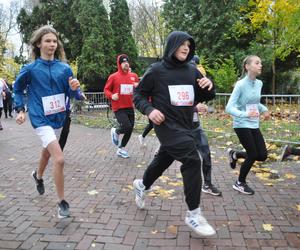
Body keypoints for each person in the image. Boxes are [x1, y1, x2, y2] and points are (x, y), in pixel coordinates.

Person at [133, 31, 216, 237]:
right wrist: (150, 111)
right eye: (182, 44)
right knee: (192, 159)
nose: (186, 48)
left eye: (189, 45)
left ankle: (141, 185)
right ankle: (193, 214)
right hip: (166, 126)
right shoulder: (156, 71)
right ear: (172, 45)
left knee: (163, 160)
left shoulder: (192, 70)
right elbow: (138, 94)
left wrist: (209, 86)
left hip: (186, 126)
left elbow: (204, 95)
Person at [14, 25, 81, 218]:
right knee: (59, 158)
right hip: (40, 118)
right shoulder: (31, 69)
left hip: (59, 118)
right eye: (47, 41)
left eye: (54, 41)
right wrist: (20, 109)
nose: (52, 44)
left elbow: (72, 92)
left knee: (46, 154)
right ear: (38, 44)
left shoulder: (64, 68)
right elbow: (17, 89)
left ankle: (38, 176)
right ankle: (62, 203)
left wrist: (75, 88)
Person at [225, 55, 270, 195]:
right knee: (252, 154)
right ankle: (240, 182)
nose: (260, 65)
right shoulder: (240, 85)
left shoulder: (259, 84)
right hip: (241, 123)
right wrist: (245, 115)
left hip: (254, 123)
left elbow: (254, 103)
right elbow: (229, 107)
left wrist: (264, 110)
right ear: (247, 66)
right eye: (257, 63)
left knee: (262, 155)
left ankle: (235, 154)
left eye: (260, 63)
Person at [191, 56, 221, 196]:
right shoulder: (172, 75)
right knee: (163, 159)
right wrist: (194, 105)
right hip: (178, 127)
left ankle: (207, 184)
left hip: (195, 124)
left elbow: (208, 95)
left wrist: (210, 84)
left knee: (206, 153)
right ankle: (145, 183)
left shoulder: (198, 74)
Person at [104, 54, 139, 158]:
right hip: (118, 107)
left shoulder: (134, 76)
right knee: (126, 126)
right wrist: (111, 95)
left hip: (130, 106)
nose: (126, 64)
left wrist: (138, 88)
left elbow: (137, 90)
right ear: (119, 64)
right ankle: (115, 131)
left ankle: (121, 149)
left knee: (130, 128)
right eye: (123, 62)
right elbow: (106, 89)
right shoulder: (113, 77)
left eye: (127, 62)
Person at [193, 103, 222, 196]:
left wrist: (205, 107)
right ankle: (146, 183)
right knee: (166, 158)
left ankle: (207, 184)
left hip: (196, 128)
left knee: (206, 155)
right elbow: (173, 108)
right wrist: (194, 108)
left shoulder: (194, 90)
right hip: (181, 129)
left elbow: (210, 108)